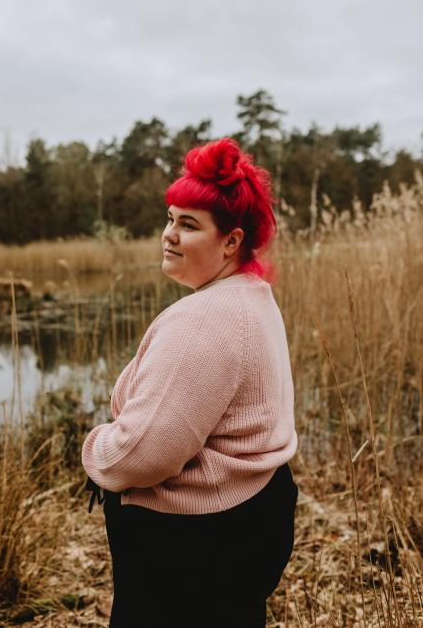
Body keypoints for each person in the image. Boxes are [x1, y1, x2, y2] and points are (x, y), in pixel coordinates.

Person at [81, 137, 298, 628]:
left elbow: (143, 454)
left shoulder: (203, 320)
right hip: (243, 533)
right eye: (170, 218)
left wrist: (94, 450)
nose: (169, 235)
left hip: (191, 553)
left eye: (189, 224)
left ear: (231, 241)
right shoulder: (252, 297)